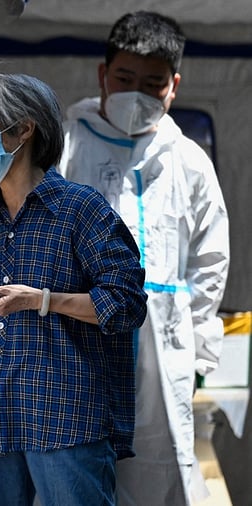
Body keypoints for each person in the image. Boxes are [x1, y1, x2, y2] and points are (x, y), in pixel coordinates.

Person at [0, 73, 147, 505]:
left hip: (66, 417)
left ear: (24, 128)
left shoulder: (81, 209)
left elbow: (126, 303)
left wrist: (40, 300)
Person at [58, 11, 230, 505]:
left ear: (174, 85)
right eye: (125, 79)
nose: (137, 93)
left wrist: (198, 345)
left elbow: (210, 260)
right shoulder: (67, 146)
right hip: (79, 336)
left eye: (153, 83)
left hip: (164, 342)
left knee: (159, 468)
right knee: (77, 469)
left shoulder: (189, 161)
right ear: (102, 75)